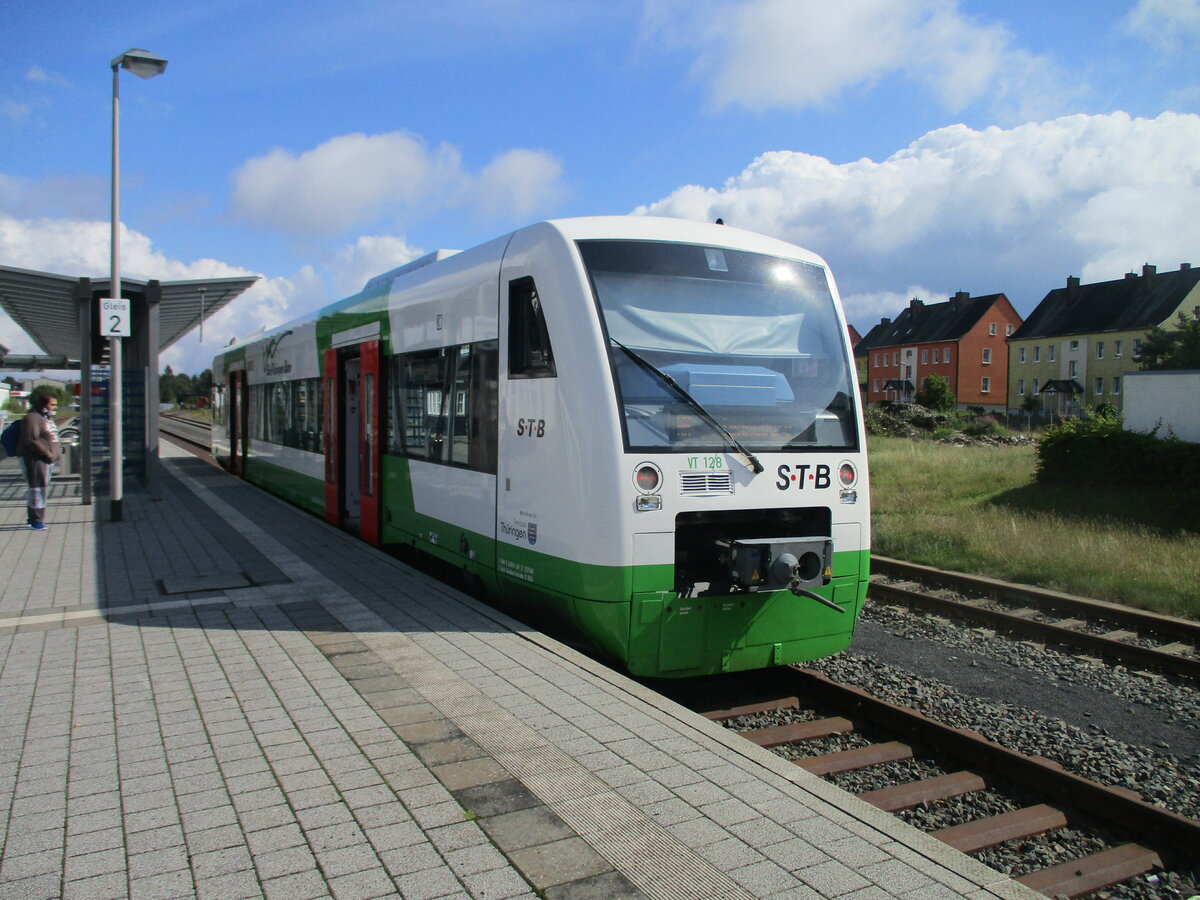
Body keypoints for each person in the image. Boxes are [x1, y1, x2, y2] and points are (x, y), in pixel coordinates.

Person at [16, 386, 60, 530]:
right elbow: (31, 439)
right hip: (36, 459)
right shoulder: (33, 418)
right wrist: (46, 453)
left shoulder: (44, 418)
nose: (55, 407)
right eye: (52, 404)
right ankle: (37, 521)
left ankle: (34, 519)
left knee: (40, 488)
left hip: (45, 460)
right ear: (43, 404)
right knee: (37, 489)